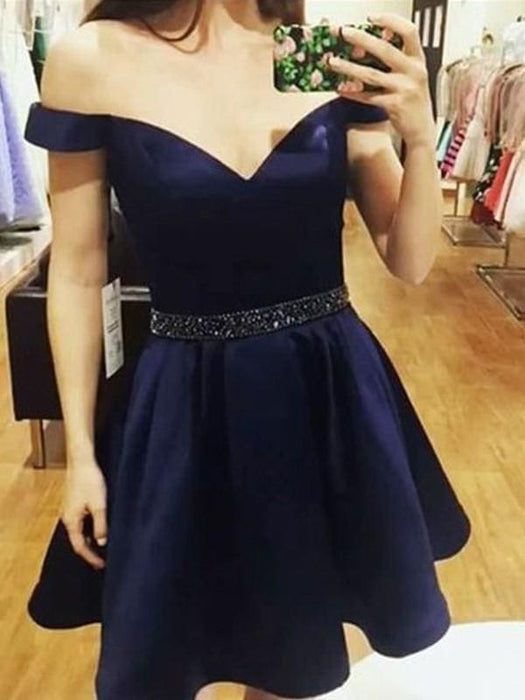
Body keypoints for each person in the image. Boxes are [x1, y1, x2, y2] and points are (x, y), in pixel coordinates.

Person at [23, 1, 472, 699]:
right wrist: (79, 455)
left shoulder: (330, 58)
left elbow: (408, 261)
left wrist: (418, 136)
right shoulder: (93, 59)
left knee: (293, 657)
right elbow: (79, 271)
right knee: (166, 653)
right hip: (183, 402)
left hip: (320, 394)